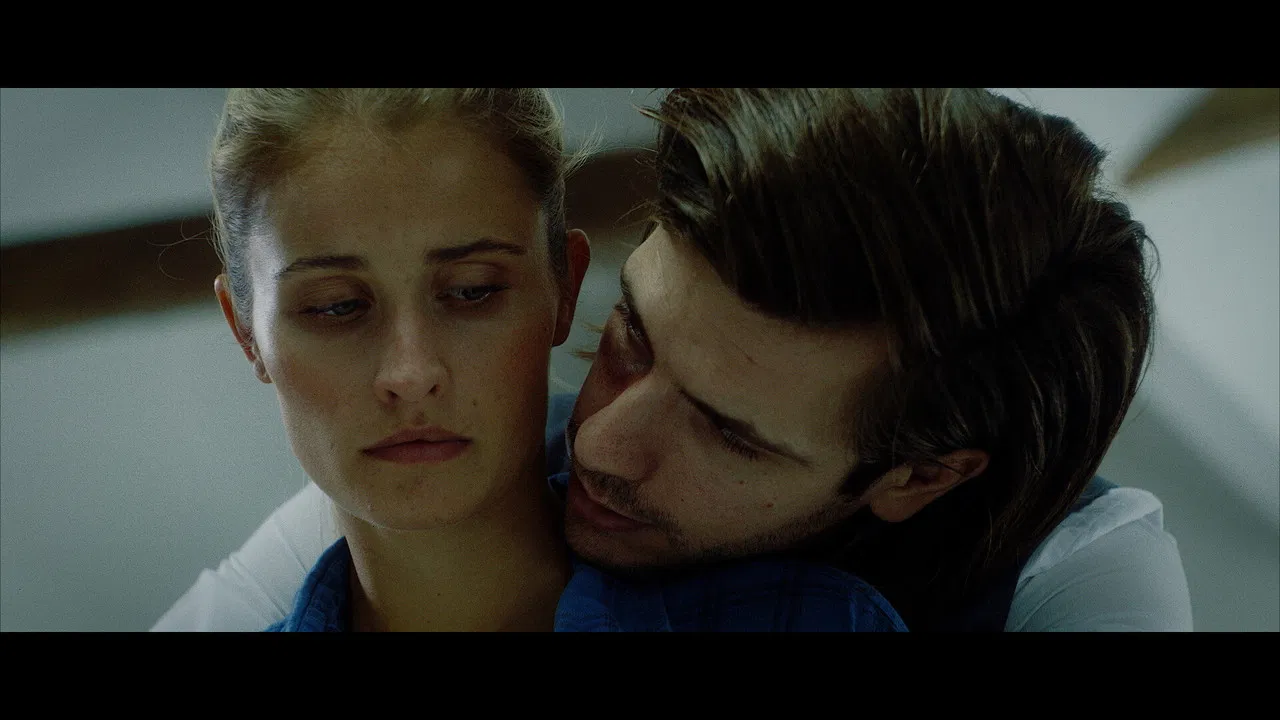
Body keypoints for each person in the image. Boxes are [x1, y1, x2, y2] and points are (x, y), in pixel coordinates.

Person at [155, 88, 1191, 632]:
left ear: (916, 477)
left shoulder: (1083, 574)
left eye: (728, 434)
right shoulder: (431, 474)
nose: (600, 444)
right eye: (629, 338)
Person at [185, 86, 908, 632]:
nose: (410, 373)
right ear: (246, 332)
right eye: (336, 307)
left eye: (473, 291)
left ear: (564, 288)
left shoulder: (806, 619)